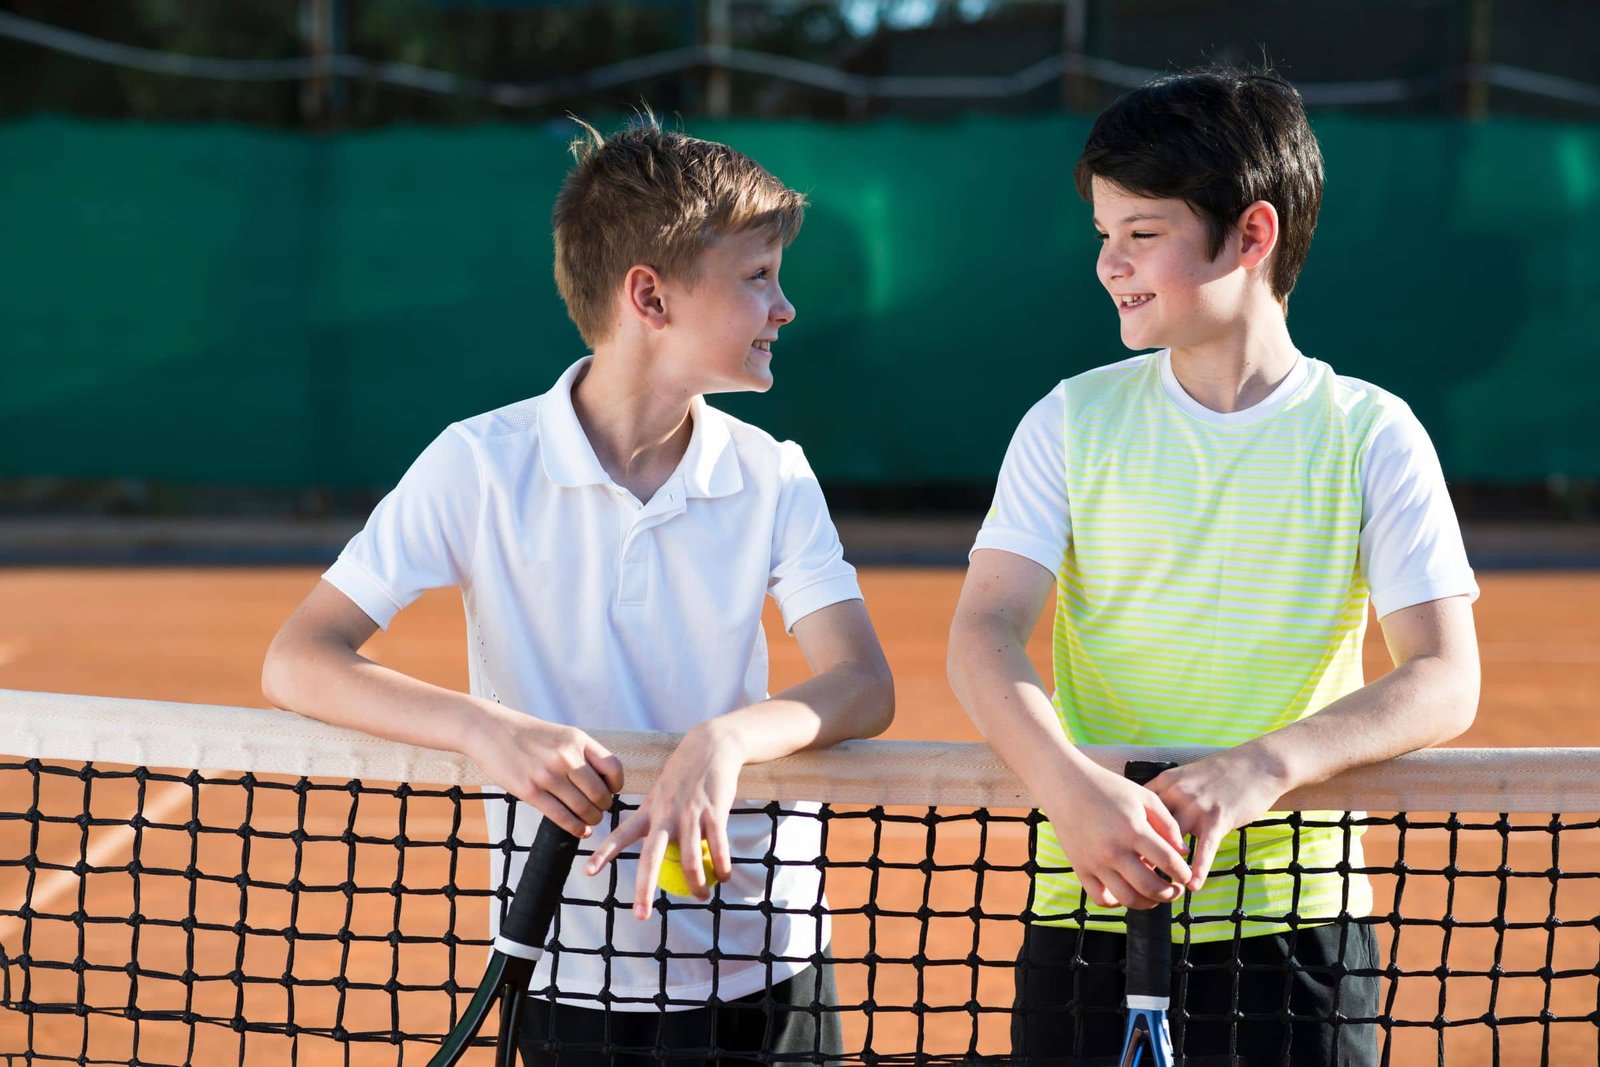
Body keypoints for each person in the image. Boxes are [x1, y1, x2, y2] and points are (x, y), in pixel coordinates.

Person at [262, 114, 894, 1066]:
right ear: (651, 296)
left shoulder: (773, 474)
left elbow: (861, 684)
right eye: (757, 276)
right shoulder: (478, 464)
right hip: (572, 966)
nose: (784, 306)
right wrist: (488, 726)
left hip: (773, 960)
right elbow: (299, 658)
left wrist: (723, 739)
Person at [946, 68, 1480, 1066]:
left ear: (1252, 233)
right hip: (1088, 906)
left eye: (1141, 233)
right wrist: (1066, 788)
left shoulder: (1372, 434)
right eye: (1104, 234)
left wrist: (1257, 770)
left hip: (1296, 924)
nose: (1109, 262)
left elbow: (1445, 676)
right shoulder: (1069, 418)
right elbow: (982, 630)